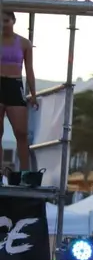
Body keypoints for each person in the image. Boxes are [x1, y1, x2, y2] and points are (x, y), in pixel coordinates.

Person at [0, 11, 36, 172]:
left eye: (6, 21)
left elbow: (29, 69)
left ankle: (25, 172)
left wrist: (33, 94)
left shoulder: (24, 43)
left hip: (14, 84)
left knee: (21, 133)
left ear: (13, 21)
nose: (3, 24)